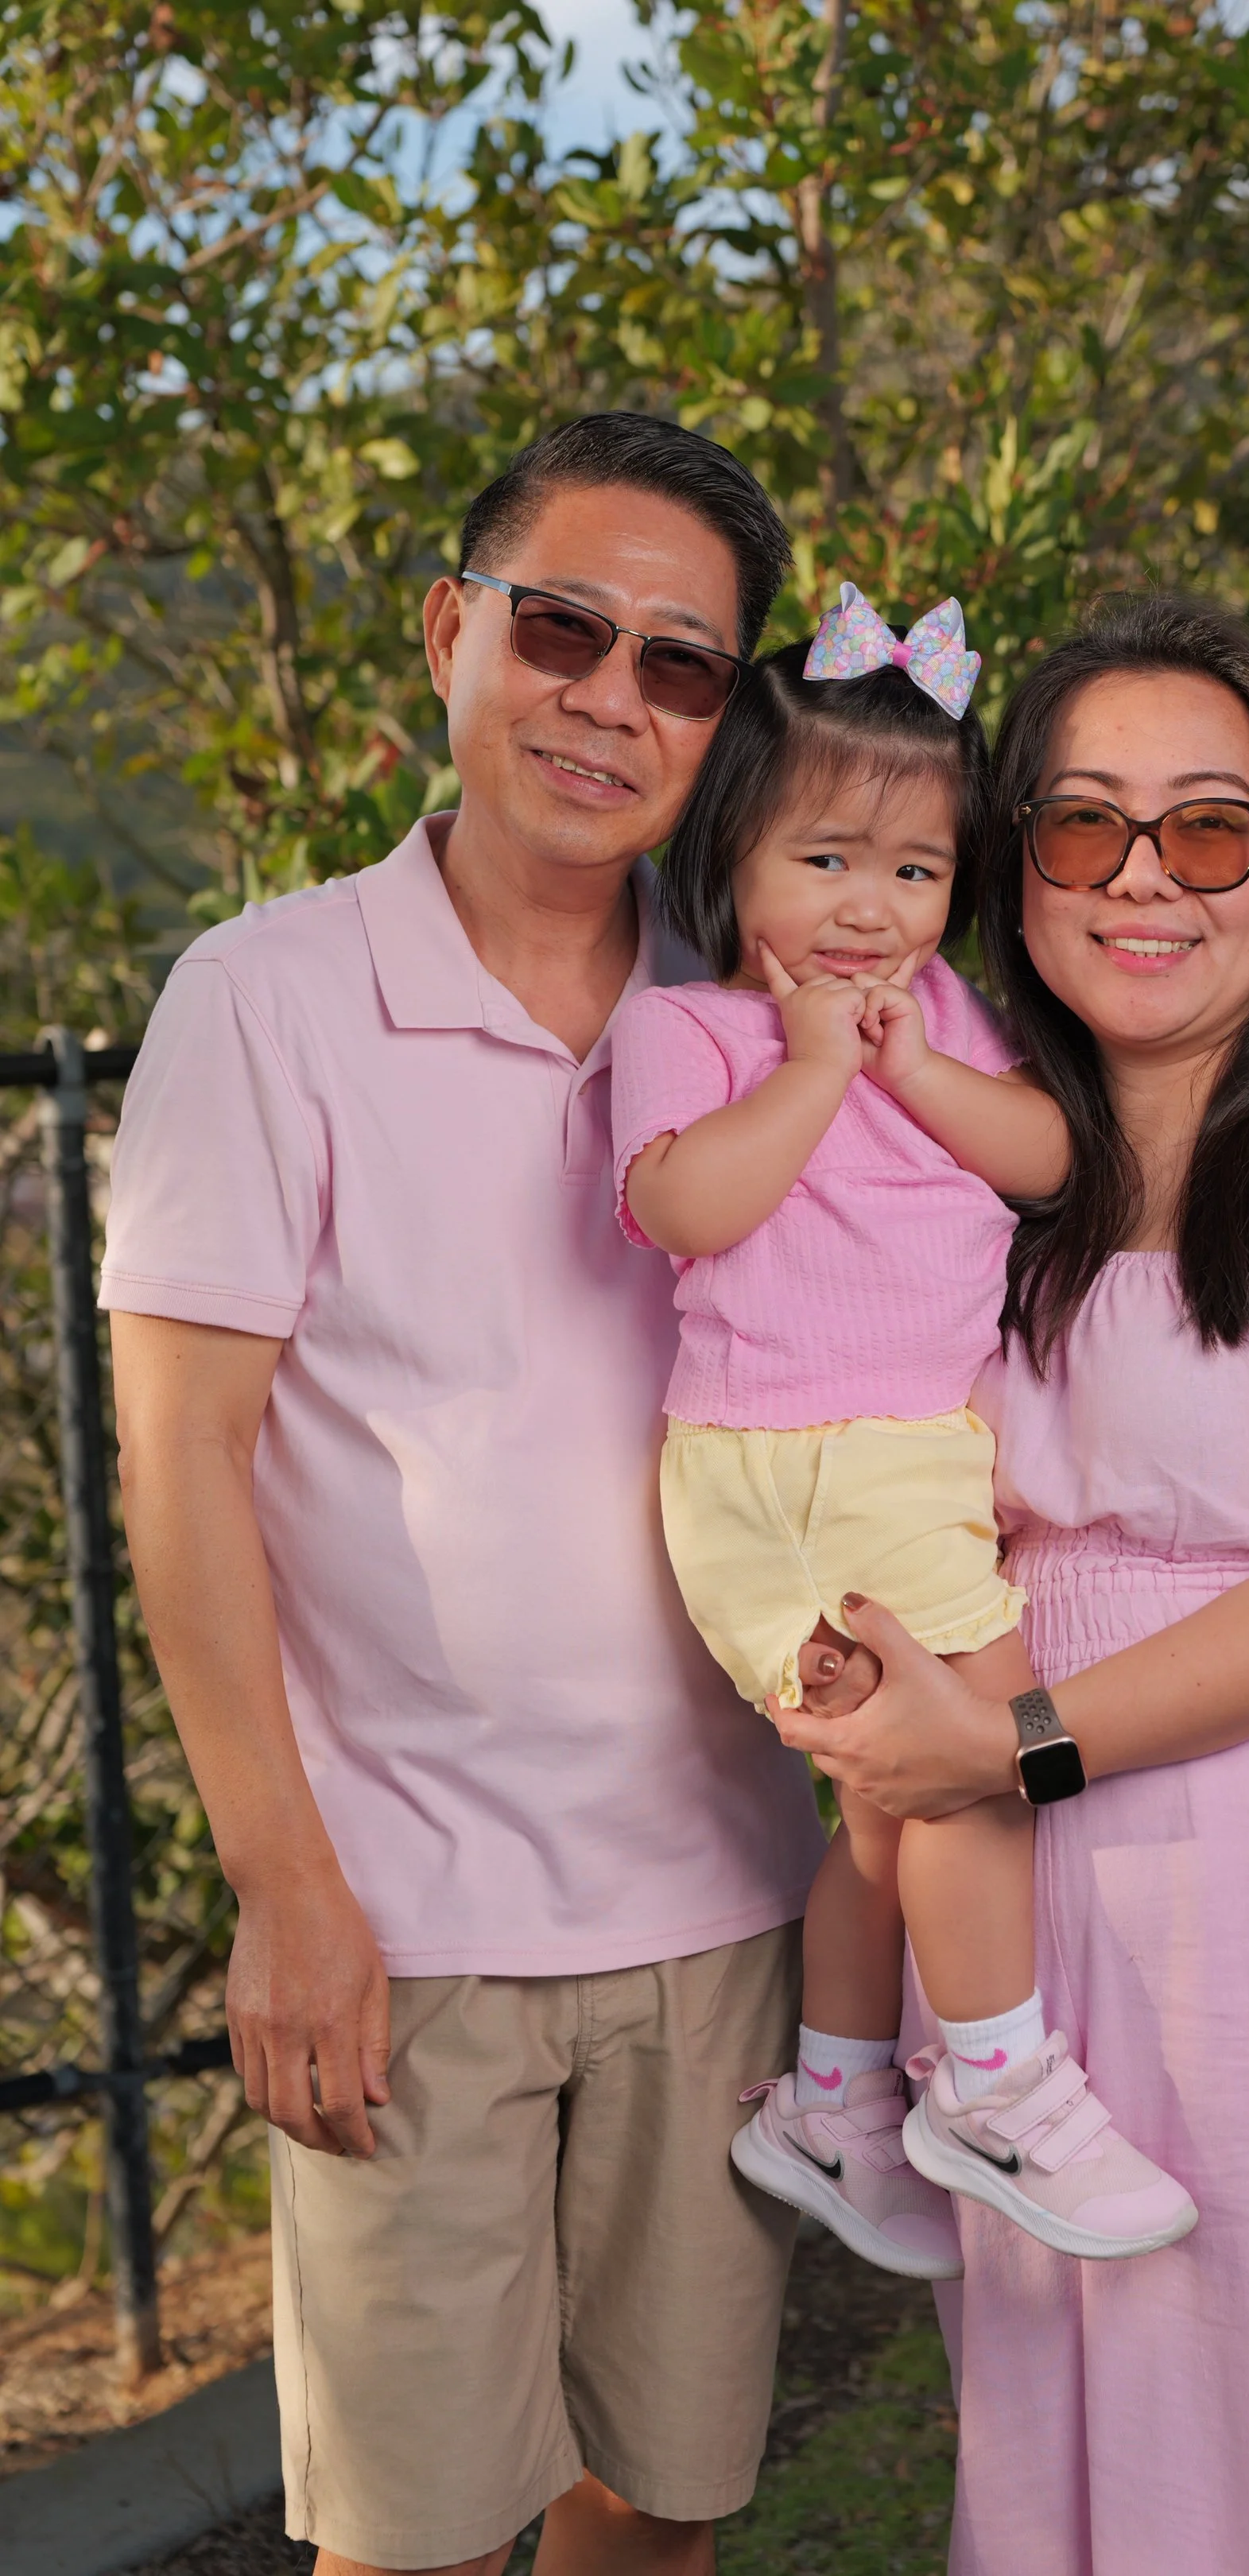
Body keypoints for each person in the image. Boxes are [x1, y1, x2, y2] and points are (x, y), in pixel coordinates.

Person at [102, 413, 832, 2576]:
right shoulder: (265, 1001)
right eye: (562, 628)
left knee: (660, 2509)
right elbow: (182, 1468)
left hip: (715, 1902)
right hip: (402, 1928)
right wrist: (285, 1884)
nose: (608, 697)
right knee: (408, 2545)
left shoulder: (744, 1024)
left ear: (720, 729)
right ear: (451, 633)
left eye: (678, 666)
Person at [771, 592, 1249, 2574]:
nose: (1143, 878)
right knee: (1067, 2423)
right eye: (1083, 824)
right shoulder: (973, 1186)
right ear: (1012, 872)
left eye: (1209, 827)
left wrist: (996, 1751)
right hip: (1016, 1904)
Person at [609, 584, 1197, 2283]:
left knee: (889, 1811)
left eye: (917, 871)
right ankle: (998, 2080)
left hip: (903, 1456)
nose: (873, 910)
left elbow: (1053, 1160)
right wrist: (806, 1067)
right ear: (729, 858)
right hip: (790, 1468)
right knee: (988, 1754)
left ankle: (838, 2098)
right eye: (826, 862)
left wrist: (904, 1070)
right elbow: (681, 1209)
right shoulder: (692, 1032)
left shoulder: (936, 1021)